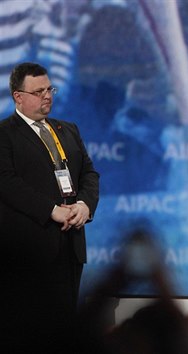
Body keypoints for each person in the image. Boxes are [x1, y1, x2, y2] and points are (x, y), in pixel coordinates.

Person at [0, 62, 100, 351]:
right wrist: (50, 210)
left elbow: (89, 174)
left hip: (70, 245)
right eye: (38, 91)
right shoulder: (5, 134)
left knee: (65, 327)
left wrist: (84, 205)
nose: (47, 96)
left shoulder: (67, 129)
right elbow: (6, 182)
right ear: (18, 96)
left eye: (49, 89)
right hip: (28, 249)